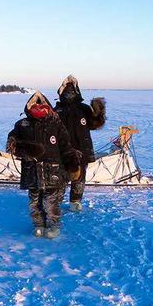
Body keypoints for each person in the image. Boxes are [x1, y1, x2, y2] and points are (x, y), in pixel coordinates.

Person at [6, 91, 82, 239]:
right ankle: (39, 225)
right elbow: (12, 145)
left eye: (42, 105)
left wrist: (72, 163)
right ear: (29, 107)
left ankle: (54, 226)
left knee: (51, 203)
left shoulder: (56, 124)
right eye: (36, 105)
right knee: (34, 203)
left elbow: (65, 146)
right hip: (32, 171)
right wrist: (25, 149)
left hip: (53, 171)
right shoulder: (22, 125)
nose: (39, 107)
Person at [54, 75, 106, 211]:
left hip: (82, 150)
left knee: (79, 178)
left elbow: (94, 124)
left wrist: (99, 113)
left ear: (77, 91)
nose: (69, 92)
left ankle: (75, 201)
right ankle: (56, 201)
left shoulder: (84, 108)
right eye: (67, 89)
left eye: (72, 89)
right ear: (61, 91)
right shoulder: (56, 111)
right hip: (62, 151)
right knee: (60, 178)